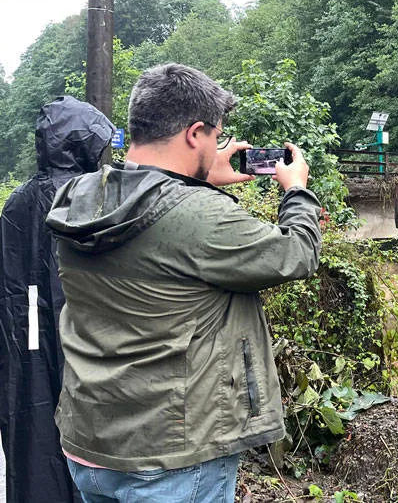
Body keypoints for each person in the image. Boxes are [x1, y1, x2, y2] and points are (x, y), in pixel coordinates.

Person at [45, 64, 323, 502]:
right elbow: (297, 254)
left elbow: (153, 212)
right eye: (215, 137)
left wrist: (197, 178)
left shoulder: (81, 195)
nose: (217, 148)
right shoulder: (199, 215)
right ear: (195, 133)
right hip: (170, 458)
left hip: (89, 443)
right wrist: (296, 191)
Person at [0, 96, 115, 503]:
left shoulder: (18, 202)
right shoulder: (94, 196)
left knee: (33, 423)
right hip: (83, 339)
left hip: (26, 340)